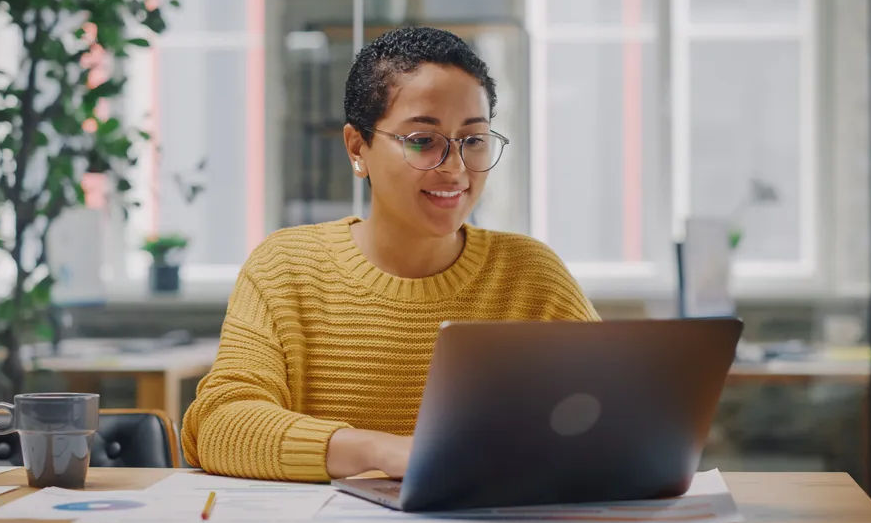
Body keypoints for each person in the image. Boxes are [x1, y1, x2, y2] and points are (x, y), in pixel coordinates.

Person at [182, 26, 598, 482]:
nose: (455, 169)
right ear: (358, 148)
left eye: (474, 140)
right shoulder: (286, 268)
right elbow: (220, 424)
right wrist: (380, 450)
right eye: (423, 140)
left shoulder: (530, 275)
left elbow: (617, 414)